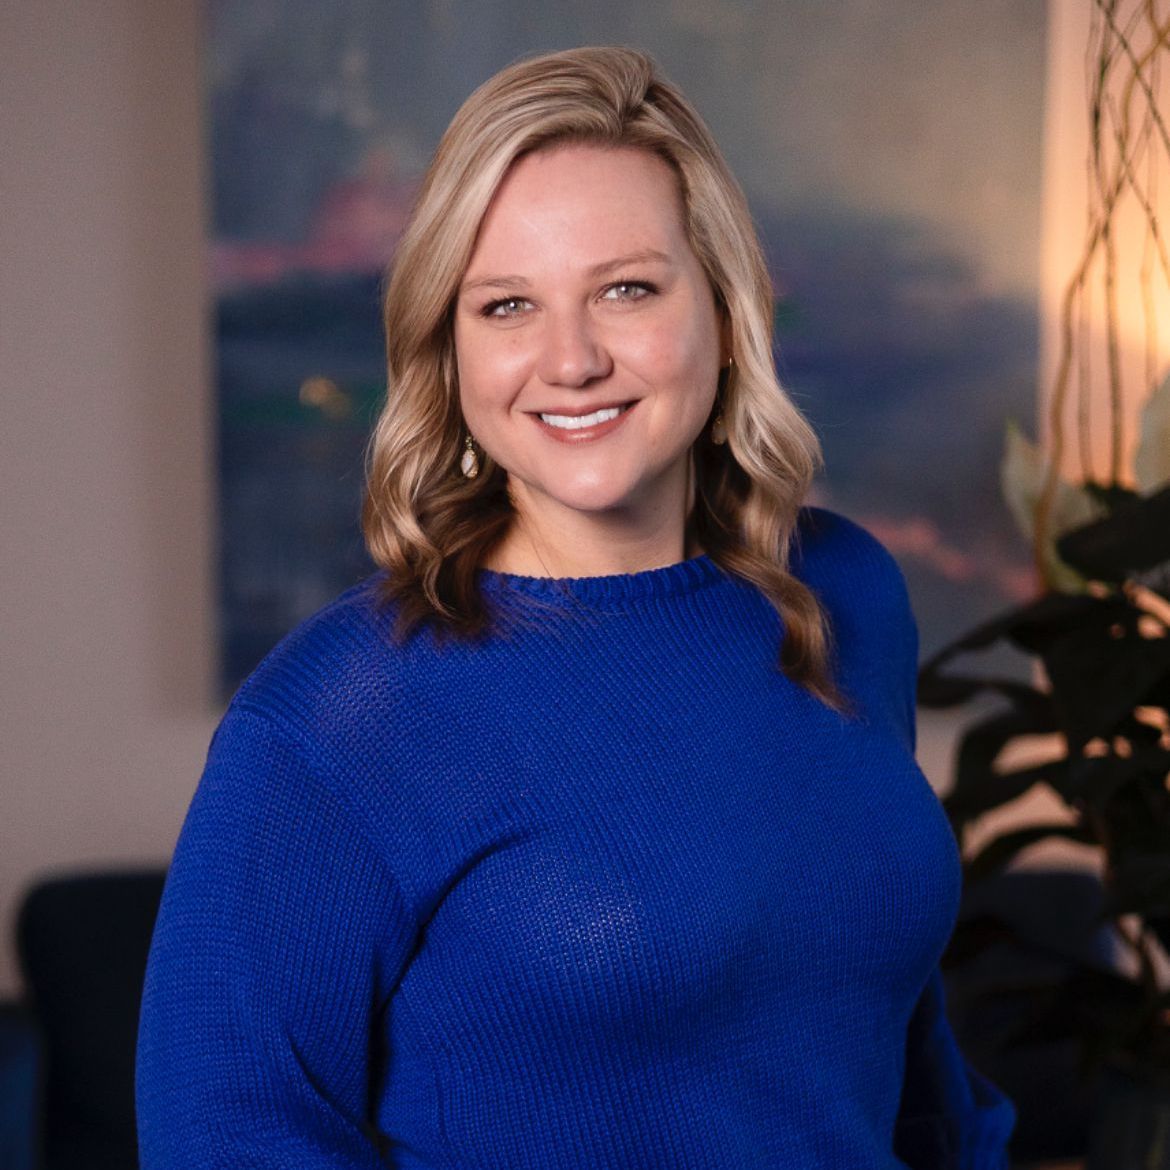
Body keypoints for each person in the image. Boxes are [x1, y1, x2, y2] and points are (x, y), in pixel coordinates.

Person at [136, 45, 1016, 1169]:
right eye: (507, 305)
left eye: (627, 288)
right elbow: (225, 1140)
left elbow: (892, 1039)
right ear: (449, 355)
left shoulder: (843, 590)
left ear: (726, 309)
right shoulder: (329, 726)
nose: (571, 359)